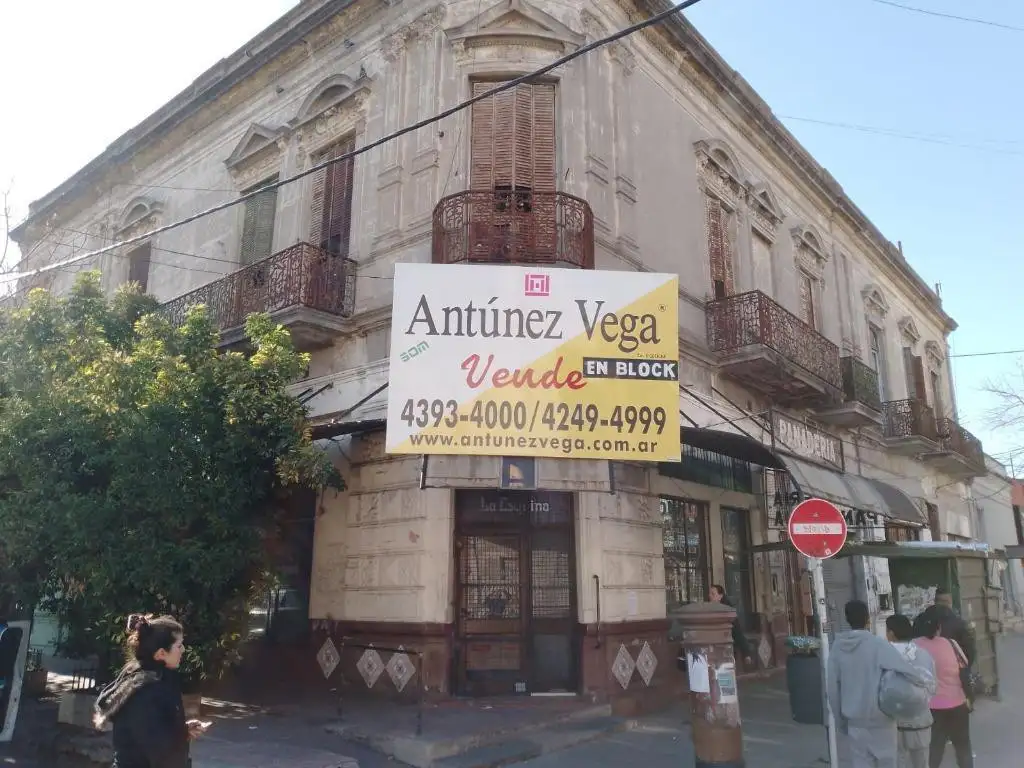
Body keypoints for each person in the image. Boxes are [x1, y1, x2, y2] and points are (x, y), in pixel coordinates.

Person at [94, 614, 209, 768]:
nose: (183, 649)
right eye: (179, 645)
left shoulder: (160, 679)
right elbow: (160, 752)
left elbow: (156, 733)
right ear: (161, 653)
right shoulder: (145, 691)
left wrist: (183, 730)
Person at [827, 600, 930, 768]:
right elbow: (907, 671)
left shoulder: (837, 649)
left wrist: (841, 722)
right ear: (868, 619)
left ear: (847, 620)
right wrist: (922, 685)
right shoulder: (878, 645)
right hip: (881, 720)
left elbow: (832, 689)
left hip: (855, 722)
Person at [913, 605, 974, 768]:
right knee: (963, 747)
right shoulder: (952, 644)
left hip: (930, 707)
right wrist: (970, 698)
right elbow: (964, 668)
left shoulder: (914, 646)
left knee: (934, 748)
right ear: (939, 627)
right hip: (957, 703)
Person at [886, 614, 937, 768]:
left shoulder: (884, 654)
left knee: (897, 762)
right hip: (920, 721)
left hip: (893, 722)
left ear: (891, 633)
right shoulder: (924, 654)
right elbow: (933, 686)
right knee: (921, 763)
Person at [710, 584, 753, 668]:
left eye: (713, 594)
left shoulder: (728, 612)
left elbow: (737, 632)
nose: (710, 596)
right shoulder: (709, 609)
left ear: (720, 596)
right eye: (710, 594)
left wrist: (746, 653)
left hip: (726, 650)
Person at [933, 589, 976, 665]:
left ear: (935, 602)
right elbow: (970, 656)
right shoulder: (960, 624)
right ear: (950, 602)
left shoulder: (921, 621)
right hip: (953, 671)